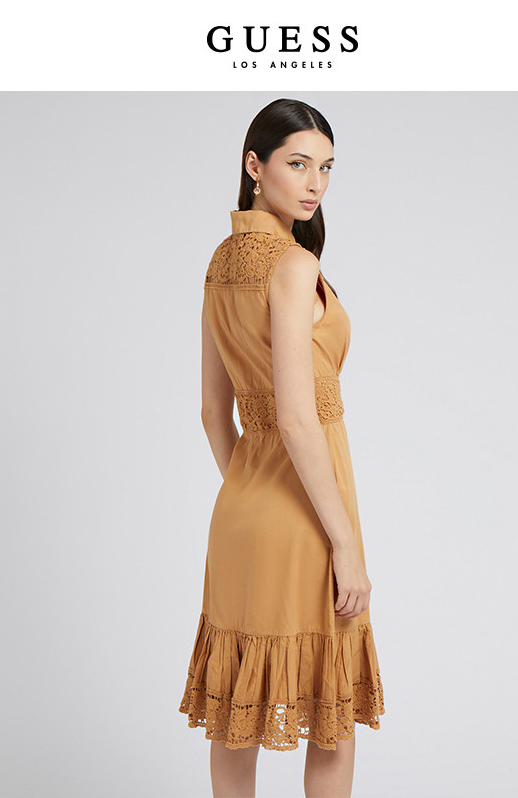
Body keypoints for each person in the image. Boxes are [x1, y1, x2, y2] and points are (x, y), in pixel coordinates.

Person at [178, 98, 385, 798]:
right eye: (298, 164)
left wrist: (249, 485)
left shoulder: (220, 264)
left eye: (326, 168)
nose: (315, 183)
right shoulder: (293, 266)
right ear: (254, 165)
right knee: (331, 720)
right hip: (306, 520)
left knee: (235, 720)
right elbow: (298, 420)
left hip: (240, 516)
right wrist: (345, 545)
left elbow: (213, 413)